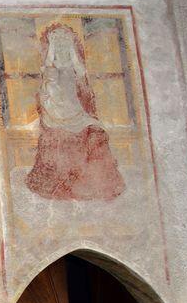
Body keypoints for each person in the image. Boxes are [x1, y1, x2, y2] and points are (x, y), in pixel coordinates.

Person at [25, 24, 125, 201]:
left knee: (96, 131)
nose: (62, 47)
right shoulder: (51, 68)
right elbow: (48, 76)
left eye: (66, 43)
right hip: (56, 112)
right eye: (58, 43)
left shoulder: (74, 66)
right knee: (61, 133)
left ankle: (92, 182)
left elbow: (81, 74)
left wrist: (70, 49)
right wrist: (54, 47)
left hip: (75, 111)